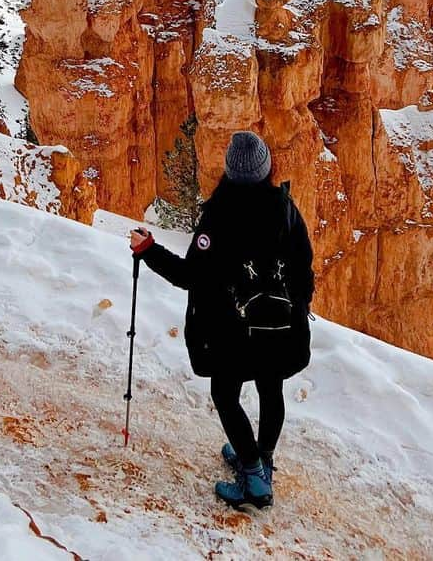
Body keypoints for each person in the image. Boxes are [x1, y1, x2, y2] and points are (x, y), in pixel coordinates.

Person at [129, 130, 314, 509]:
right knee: (270, 388)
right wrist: (295, 308)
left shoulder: (219, 217)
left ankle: (253, 477)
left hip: (234, 332)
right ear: (266, 169)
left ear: (229, 171)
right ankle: (262, 457)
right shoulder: (285, 208)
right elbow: (304, 267)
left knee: (224, 394)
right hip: (281, 326)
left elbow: (190, 276)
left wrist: (148, 250)